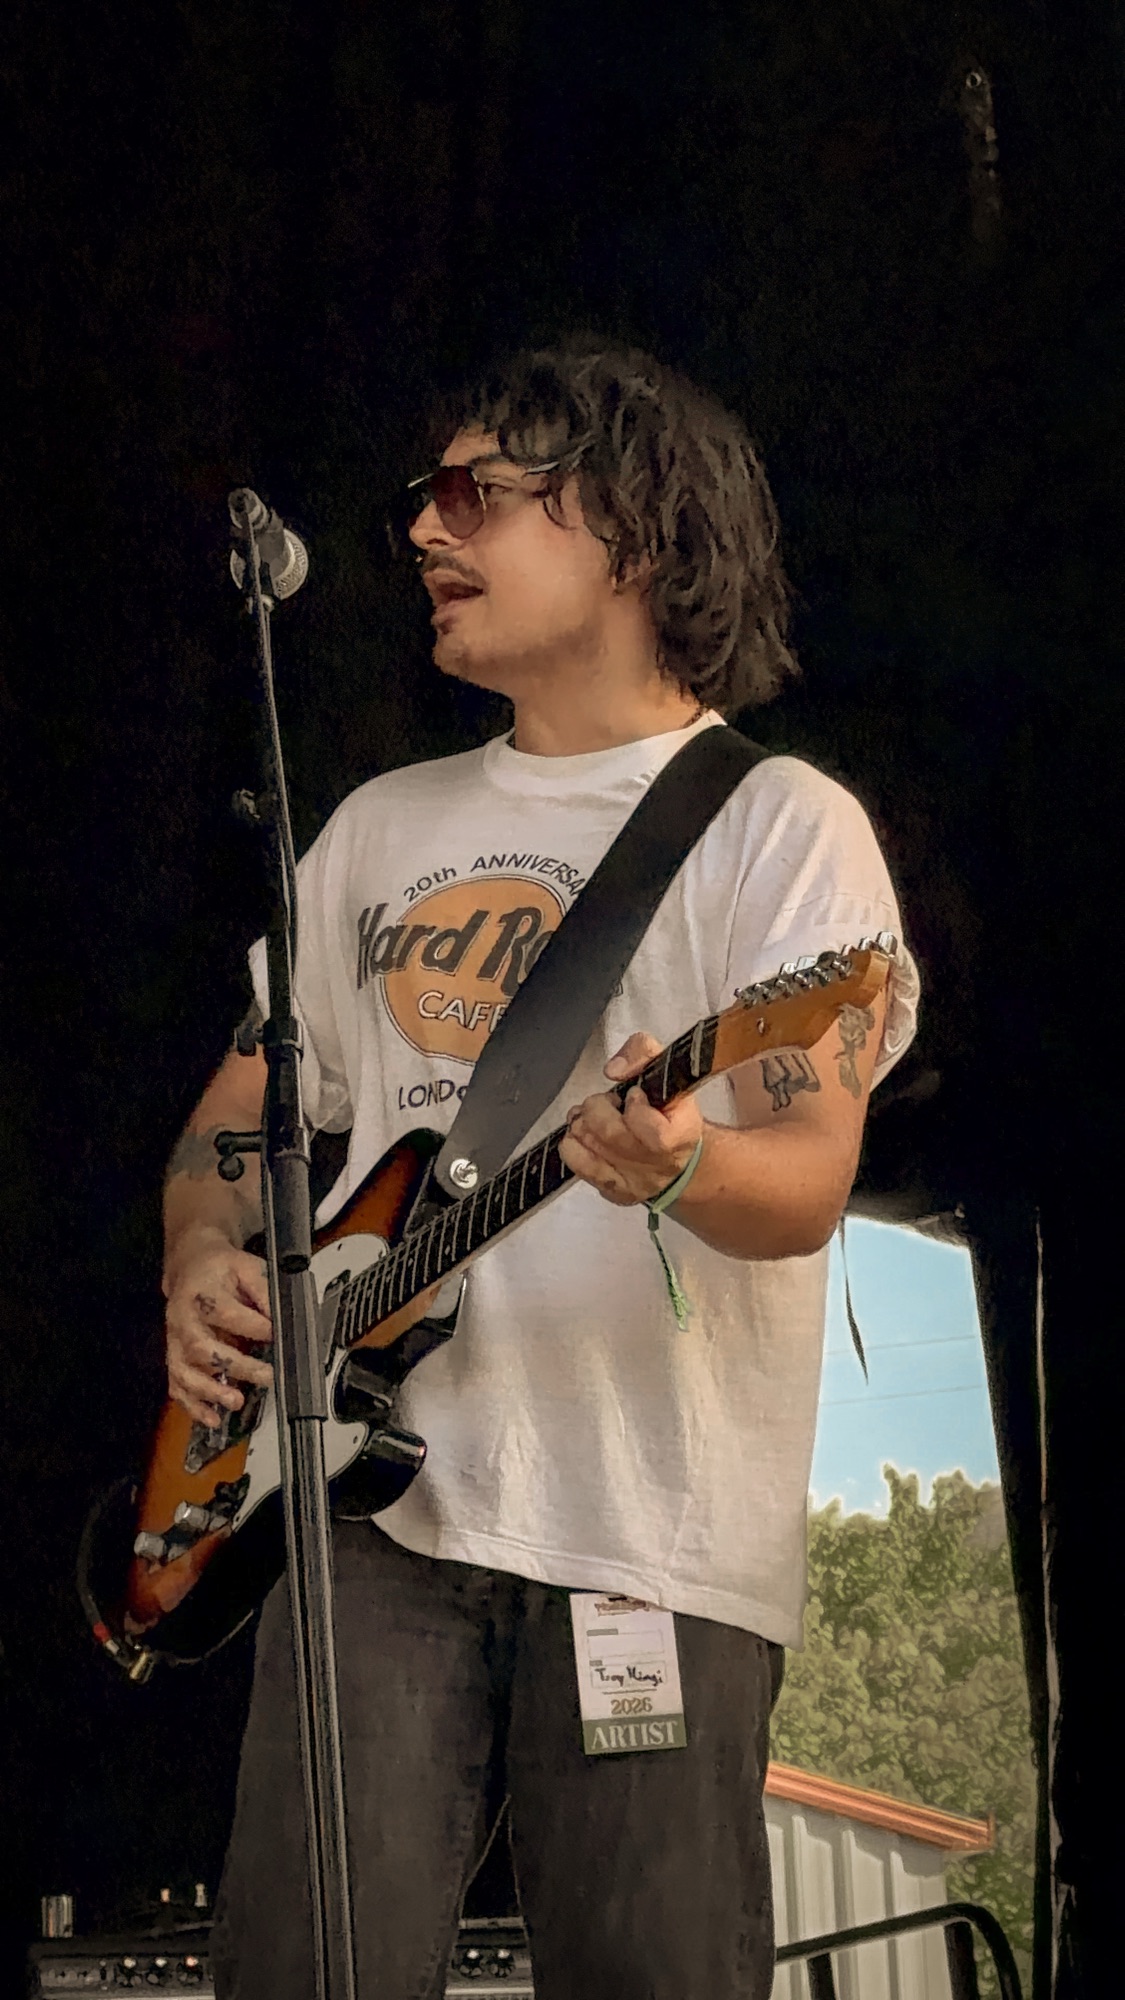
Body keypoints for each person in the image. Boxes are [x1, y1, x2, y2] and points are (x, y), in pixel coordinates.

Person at [162, 340, 919, 2000]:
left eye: (472, 493)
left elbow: (800, 1187)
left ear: (632, 527)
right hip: (368, 1518)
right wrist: (202, 1255)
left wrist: (675, 1167)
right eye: (419, 498)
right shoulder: (377, 822)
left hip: (651, 1534)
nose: (422, 531)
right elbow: (239, 1118)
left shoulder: (778, 825)